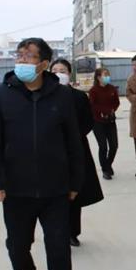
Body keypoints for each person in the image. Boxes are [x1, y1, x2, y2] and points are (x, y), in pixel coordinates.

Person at [0, 38, 84, 270]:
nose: (22, 60)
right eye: (19, 55)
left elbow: (74, 142)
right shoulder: (3, 95)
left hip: (56, 190)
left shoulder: (62, 96)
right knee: (17, 245)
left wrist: (75, 182)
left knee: (59, 251)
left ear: (43, 64)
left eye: (28, 56)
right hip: (16, 190)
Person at [51, 58, 104, 247]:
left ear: (69, 74)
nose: (58, 74)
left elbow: (88, 121)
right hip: (50, 151)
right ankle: (56, 232)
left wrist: (73, 137)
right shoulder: (43, 96)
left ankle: (73, 232)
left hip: (75, 149)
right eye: (55, 70)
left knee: (74, 193)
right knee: (54, 195)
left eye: (62, 70)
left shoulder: (79, 97)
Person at [88, 67, 120, 179]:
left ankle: (108, 165)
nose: (107, 77)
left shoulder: (112, 89)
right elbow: (92, 105)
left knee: (114, 146)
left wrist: (112, 110)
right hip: (98, 122)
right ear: (98, 77)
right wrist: (104, 111)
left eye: (108, 74)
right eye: (105, 75)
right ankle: (105, 170)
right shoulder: (93, 90)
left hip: (110, 121)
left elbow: (116, 102)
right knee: (103, 147)